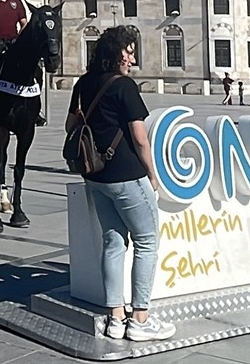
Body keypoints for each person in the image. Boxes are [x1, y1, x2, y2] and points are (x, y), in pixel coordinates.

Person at [67, 26, 175, 343]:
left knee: (114, 243)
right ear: (114, 55)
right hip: (126, 176)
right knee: (147, 242)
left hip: (95, 176)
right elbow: (140, 140)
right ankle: (140, 319)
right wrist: (152, 175)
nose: (132, 58)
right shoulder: (124, 86)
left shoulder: (84, 84)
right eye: (127, 52)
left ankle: (115, 318)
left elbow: (70, 125)